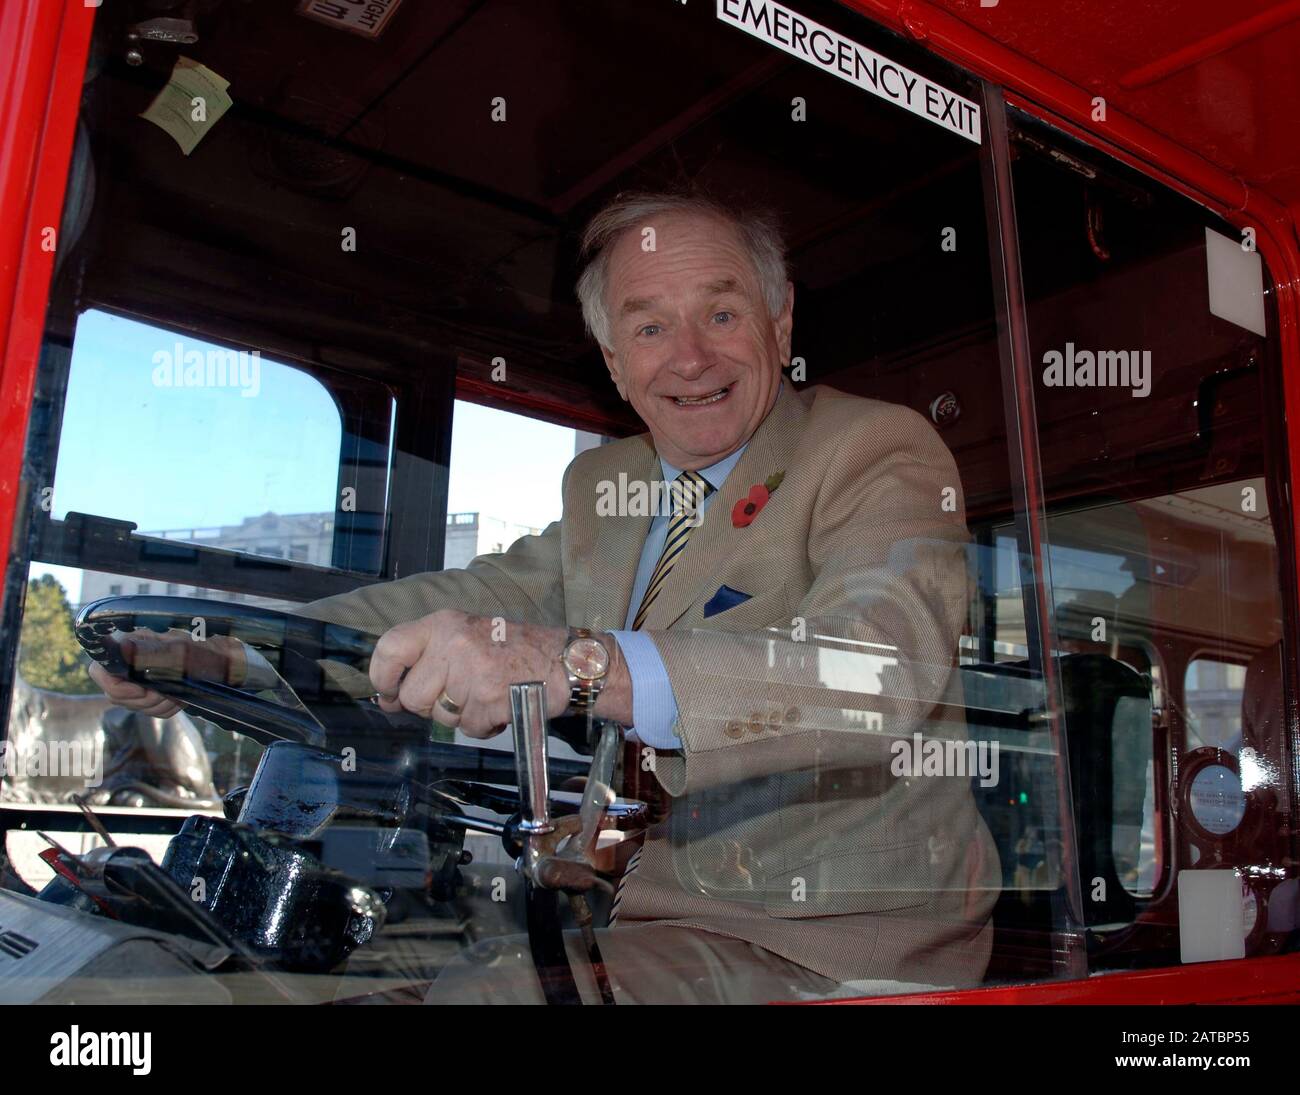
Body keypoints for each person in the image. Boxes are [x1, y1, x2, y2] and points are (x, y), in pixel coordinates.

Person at [92, 189, 1001, 1003]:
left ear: (781, 320)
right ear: (613, 358)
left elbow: (873, 670)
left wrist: (575, 663)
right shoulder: (607, 487)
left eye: (722, 314)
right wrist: (236, 647)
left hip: (829, 942)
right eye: (649, 328)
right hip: (634, 908)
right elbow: (475, 593)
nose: (689, 357)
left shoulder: (875, 451)